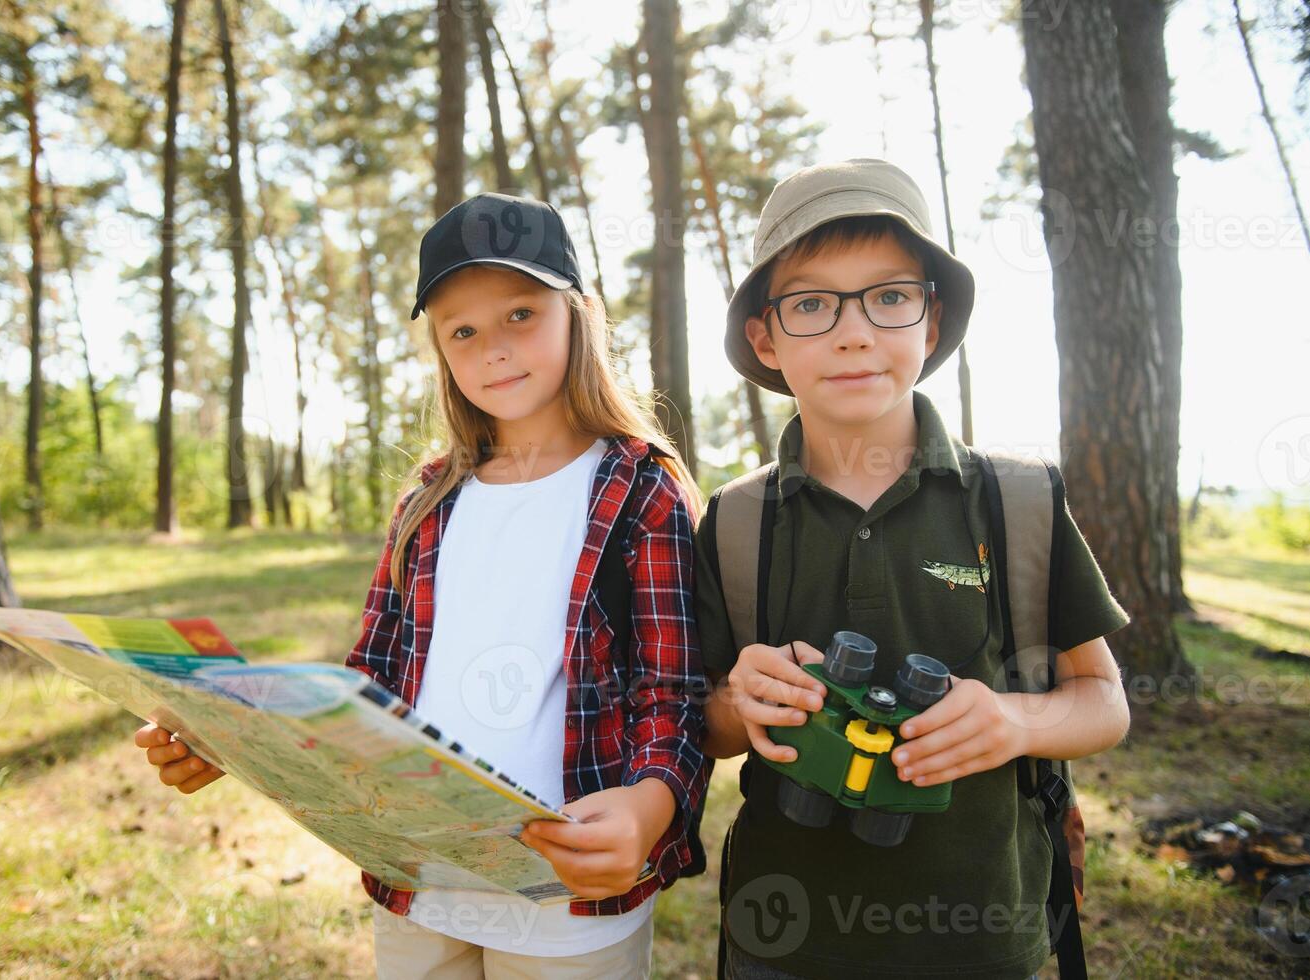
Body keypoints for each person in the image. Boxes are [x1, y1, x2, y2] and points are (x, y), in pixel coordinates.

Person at [137, 191, 711, 979]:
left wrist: (651, 805)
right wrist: (235, 739)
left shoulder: (639, 488)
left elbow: (672, 689)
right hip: (418, 878)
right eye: (462, 331)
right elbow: (368, 682)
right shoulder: (428, 499)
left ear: (578, 315)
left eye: (520, 314)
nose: (493, 349)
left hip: (568, 900)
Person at [697, 158, 1132, 979]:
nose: (853, 332)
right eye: (811, 304)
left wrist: (1013, 723)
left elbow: (1101, 700)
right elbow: (709, 723)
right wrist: (741, 698)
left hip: (975, 935)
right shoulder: (736, 519)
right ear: (764, 336)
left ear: (929, 324)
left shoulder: (1018, 501)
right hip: (778, 933)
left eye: (889, 297)